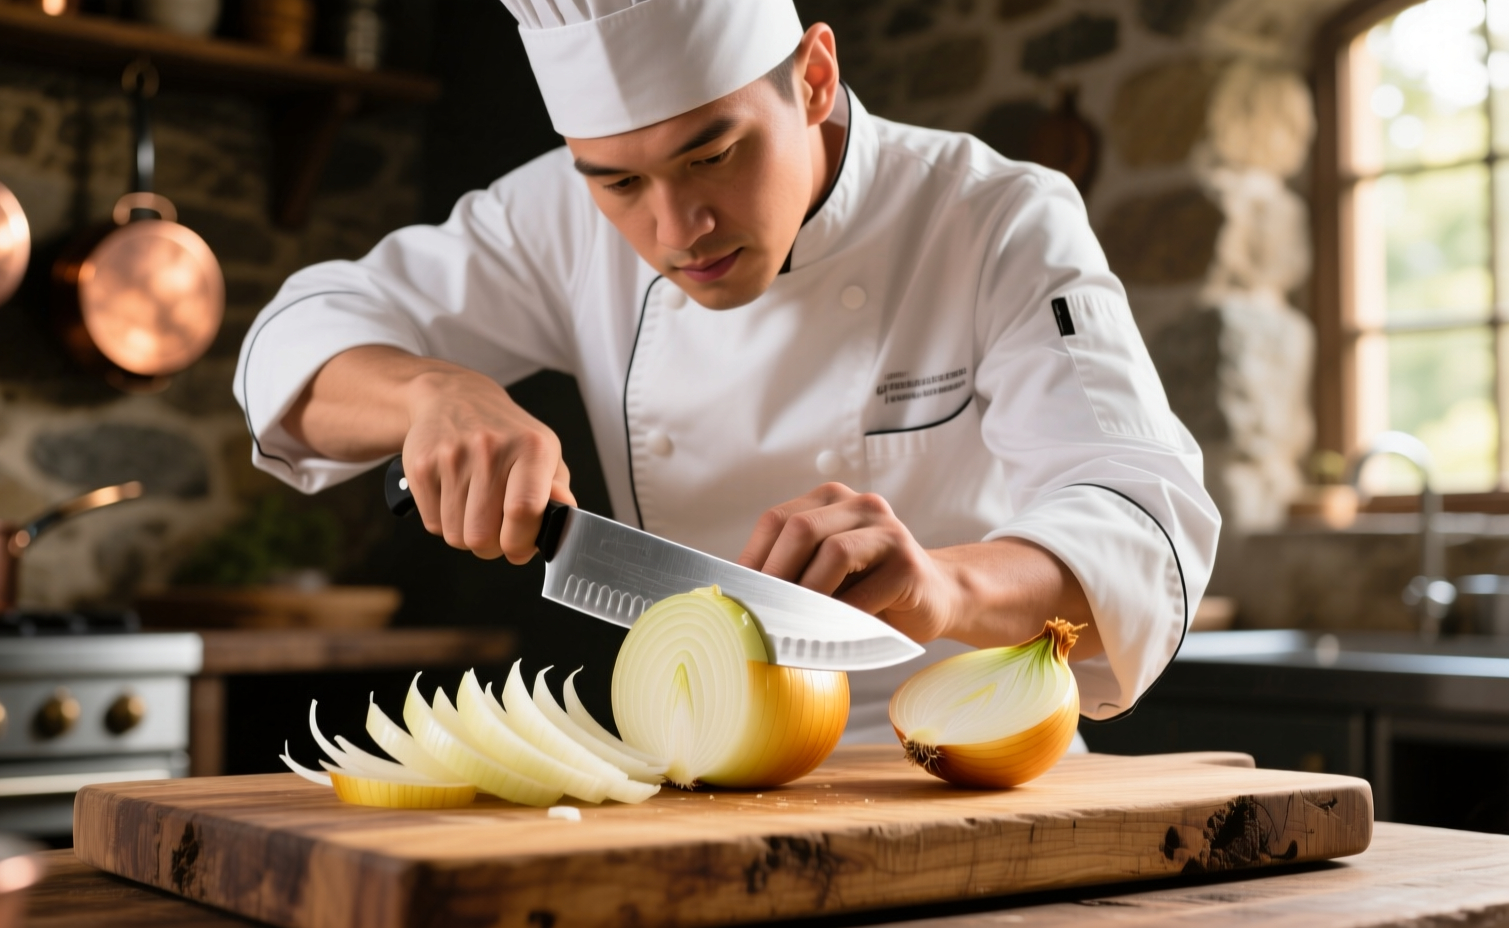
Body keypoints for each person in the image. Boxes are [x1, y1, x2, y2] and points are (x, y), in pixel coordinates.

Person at [235, 0, 1220, 742]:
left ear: (813, 79)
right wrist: (430, 393)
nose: (675, 230)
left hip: (961, 766)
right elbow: (293, 343)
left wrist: (944, 588)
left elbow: (1141, 534)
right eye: (619, 181)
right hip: (705, 773)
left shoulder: (993, 217)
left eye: (712, 155)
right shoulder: (555, 217)